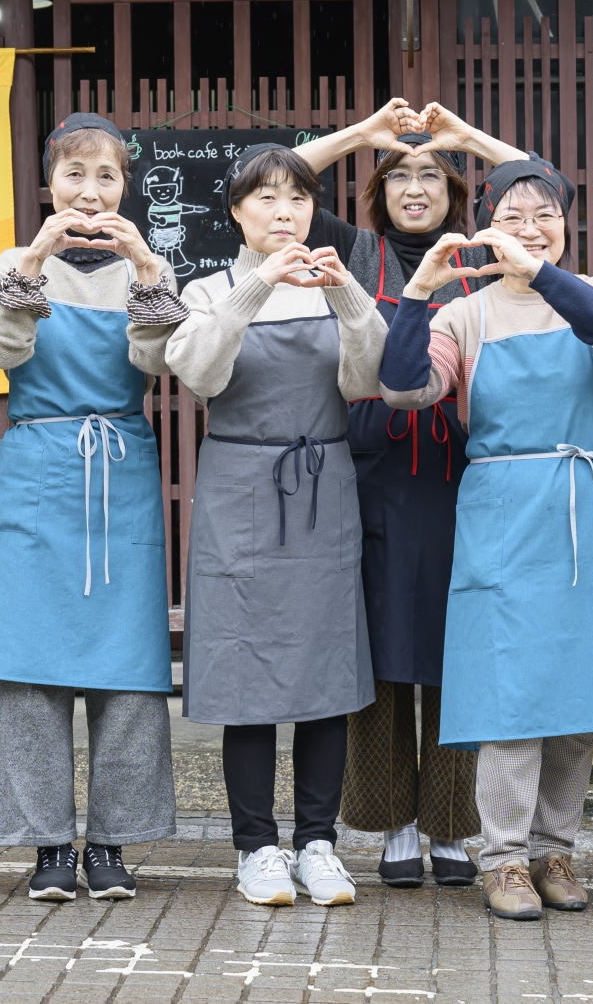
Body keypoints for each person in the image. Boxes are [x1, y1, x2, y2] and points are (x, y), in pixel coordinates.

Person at [381, 156, 593, 922]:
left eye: (546, 215)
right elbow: (404, 384)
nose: (531, 231)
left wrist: (541, 272)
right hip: (503, 510)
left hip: (585, 508)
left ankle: (554, 848)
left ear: (567, 222)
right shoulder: (467, 313)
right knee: (509, 694)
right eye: (514, 217)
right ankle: (502, 859)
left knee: (576, 692)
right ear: (490, 225)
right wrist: (420, 292)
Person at [292, 99, 528, 889]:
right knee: (384, 653)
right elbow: (282, 181)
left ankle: (454, 825)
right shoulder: (355, 252)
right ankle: (392, 818)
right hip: (373, 477)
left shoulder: (484, 255)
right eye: (402, 175)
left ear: (459, 193)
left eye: (434, 174)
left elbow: (542, 186)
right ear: (380, 191)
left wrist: (469, 138)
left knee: (456, 651)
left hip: (465, 476)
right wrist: (362, 135)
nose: (418, 187)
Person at [162, 143, 387, 908]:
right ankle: (256, 845)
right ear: (235, 211)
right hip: (241, 489)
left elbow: (368, 380)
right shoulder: (207, 288)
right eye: (265, 198)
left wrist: (352, 298)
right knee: (244, 670)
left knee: (325, 668)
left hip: (324, 484)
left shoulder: (335, 286)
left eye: (297, 197)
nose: (284, 212)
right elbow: (199, 372)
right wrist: (257, 283)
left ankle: (318, 841)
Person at [0, 113, 183, 903]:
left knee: (127, 668)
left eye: (105, 177)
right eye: (75, 175)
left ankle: (112, 843)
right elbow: (0, 354)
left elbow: (156, 362)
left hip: (120, 469)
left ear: (125, 188)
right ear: (49, 185)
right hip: (38, 469)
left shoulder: (147, 266)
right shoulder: (16, 262)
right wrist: (33, 261)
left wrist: (145, 269)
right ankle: (47, 845)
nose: (89, 192)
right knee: (31, 668)